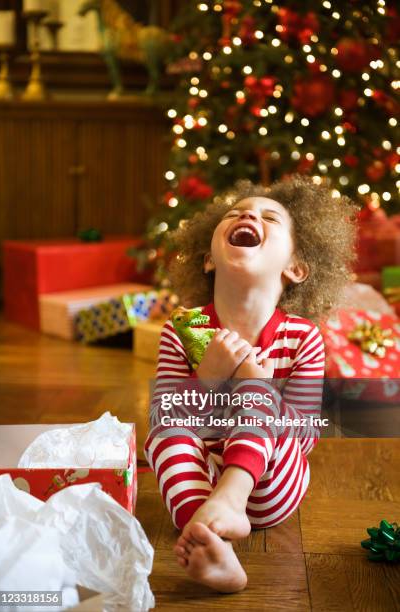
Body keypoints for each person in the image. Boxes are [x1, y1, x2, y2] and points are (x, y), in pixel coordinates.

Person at [144, 175, 357, 593]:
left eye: (269, 217)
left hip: (271, 485)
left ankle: (231, 500)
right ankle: (211, 544)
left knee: (257, 391)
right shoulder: (182, 332)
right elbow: (165, 415)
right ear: (208, 259)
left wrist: (258, 390)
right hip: (199, 487)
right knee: (161, 432)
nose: (247, 214)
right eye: (235, 213)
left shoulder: (302, 337)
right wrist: (207, 377)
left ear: (295, 268)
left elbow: (306, 435)